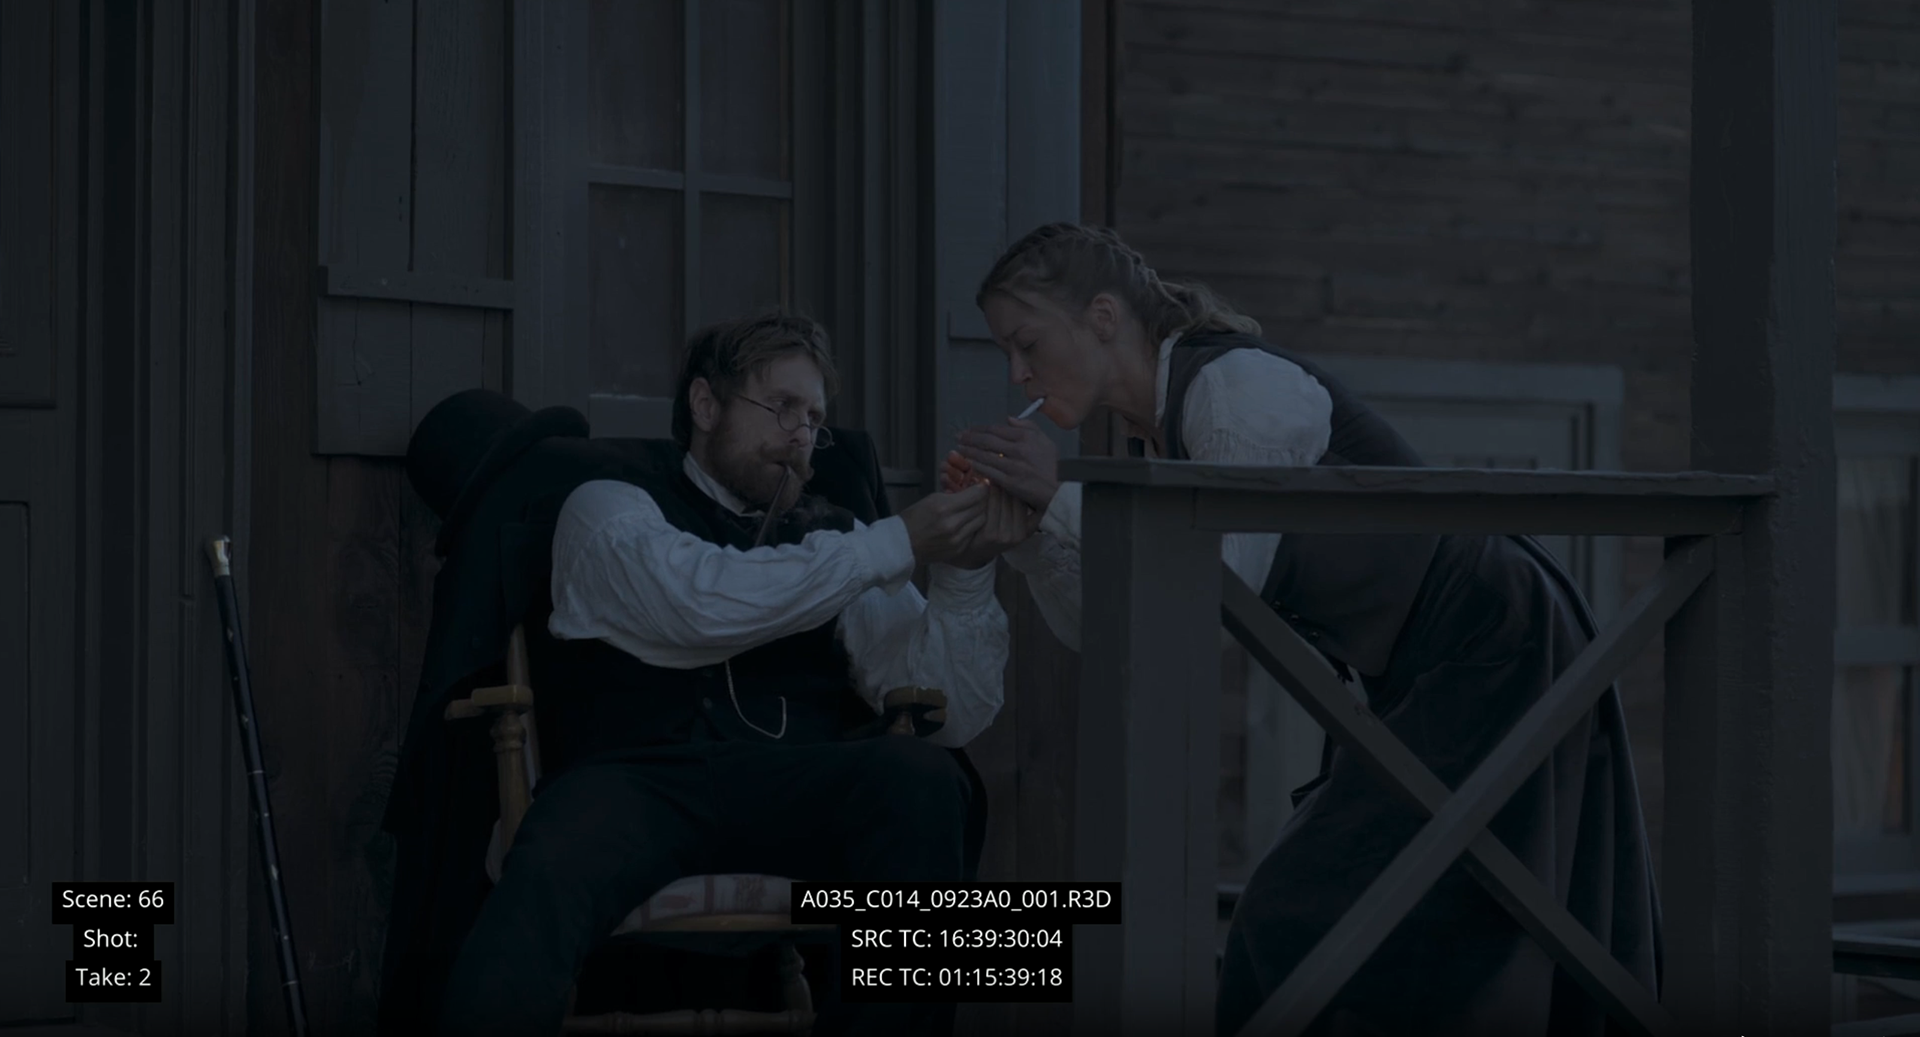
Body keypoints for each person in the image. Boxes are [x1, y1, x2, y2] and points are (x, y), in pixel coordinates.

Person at [944, 223, 1660, 1037]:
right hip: (1419, 671)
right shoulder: (1165, 431)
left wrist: (1056, 496)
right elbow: (1126, 626)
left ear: (1103, 317)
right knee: (1365, 919)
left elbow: (1211, 584)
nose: (1017, 373)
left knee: (1326, 914)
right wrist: (1034, 539)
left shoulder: (1237, 389)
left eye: (1027, 343)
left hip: (1493, 637)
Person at [438, 313, 1030, 1037]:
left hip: (785, 785)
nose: (800, 435)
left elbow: (950, 711)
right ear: (705, 404)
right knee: (549, 865)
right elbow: (699, 603)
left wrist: (966, 571)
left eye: (814, 419)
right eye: (781, 406)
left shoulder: (835, 534)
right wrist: (897, 539)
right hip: (638, 782)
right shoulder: (608, 503)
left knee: (922, 779)